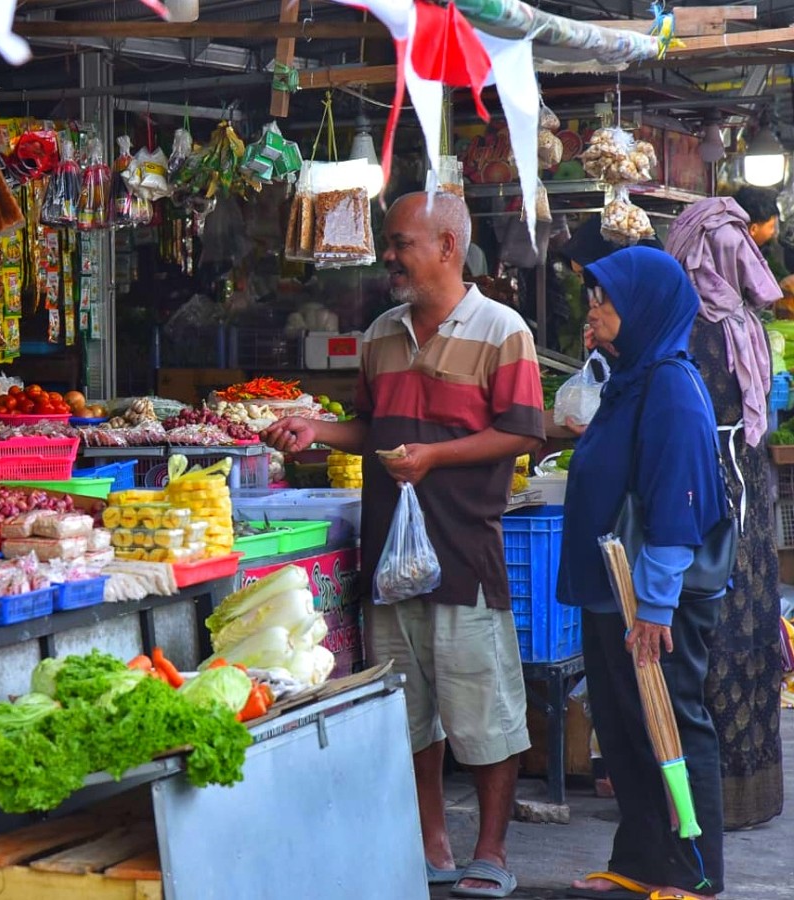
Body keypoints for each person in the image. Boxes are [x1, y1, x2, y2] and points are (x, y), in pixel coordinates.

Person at [263, 191, 545, 899]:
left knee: (484, 707)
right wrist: (316, 431)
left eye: (400, 243)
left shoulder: (502, 329)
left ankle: (492, 849)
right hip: (388, 553)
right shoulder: (381, 335)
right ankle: (431, 841)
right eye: (388, 243)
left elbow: (524, 432)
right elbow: (372, 427)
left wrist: (433, 459)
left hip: (464, 550)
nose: (387, 256)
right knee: (406, 707)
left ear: (448, 247)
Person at [559, 246, 729, 900]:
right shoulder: (632, 378)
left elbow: (677, 503)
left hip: (656, 599)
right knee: (625, 725)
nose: (594, 309)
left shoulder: (672, 387)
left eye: (607, 300)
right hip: (614, 592)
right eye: (594, 298)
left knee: (674, 727)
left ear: (645, 308)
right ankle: (639, 863)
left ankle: (694, 873)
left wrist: (655, 606)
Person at [667, 196, 785, 831]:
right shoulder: (716, 325)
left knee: (725, 629)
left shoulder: (713, 325)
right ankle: (726, 796)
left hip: (724, 496)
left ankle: (721, 795)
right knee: (720, 629)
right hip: (726, 494)